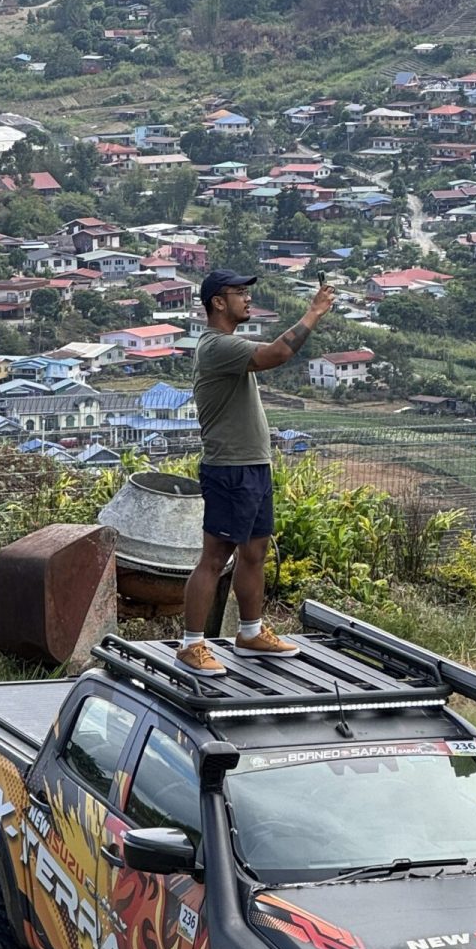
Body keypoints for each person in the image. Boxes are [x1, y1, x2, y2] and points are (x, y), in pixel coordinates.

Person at [177, 270, 336, 674]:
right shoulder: (216, 346)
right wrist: (314, 312)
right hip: (229, 467)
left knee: (254, 553)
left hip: (253, 465)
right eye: (239, 293)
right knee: (214, 558)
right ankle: (191, 644)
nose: (247, 300)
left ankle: (249, 634)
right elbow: (278, 353)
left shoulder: (226, 344)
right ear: (217, 302)